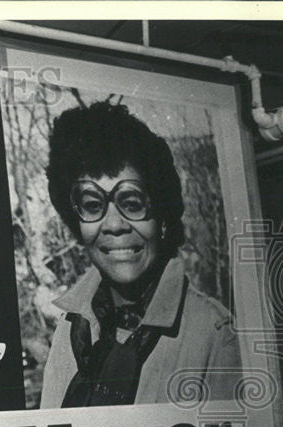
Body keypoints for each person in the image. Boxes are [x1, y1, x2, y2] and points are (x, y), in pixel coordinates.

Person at [40, 101, 241, 409]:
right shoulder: (69, 332)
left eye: (132, 203)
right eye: (94, 206)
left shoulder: (214, 335)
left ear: (161, 217)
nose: (115, 225)